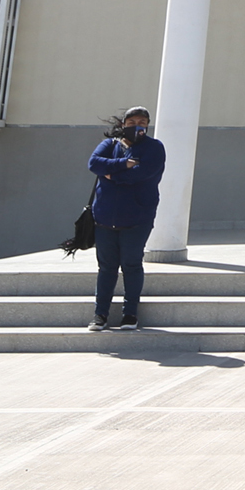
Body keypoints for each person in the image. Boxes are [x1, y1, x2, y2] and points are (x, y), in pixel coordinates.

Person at [86, 107, 166, 331]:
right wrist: (123, 165)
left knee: (131, 265)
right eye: (131, 122)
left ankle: (130, 314)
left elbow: (142, 174)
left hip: (138, 218)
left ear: (148, 125)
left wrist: (110, 175)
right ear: (123, 124)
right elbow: (94, 164)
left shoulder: (154, 147)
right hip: (104, 217)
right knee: (106, 267)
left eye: (142, 121)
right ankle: (100, 315)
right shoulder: (110, 145)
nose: (137, 126)